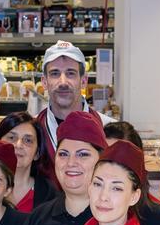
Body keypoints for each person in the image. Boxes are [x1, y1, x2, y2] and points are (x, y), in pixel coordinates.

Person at [35, 41, 113, 176]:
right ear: (44, 82)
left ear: (83, 81)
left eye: (70, 73)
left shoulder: (109, 129)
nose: (63, 82)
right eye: (54, 73)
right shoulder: (32, 130)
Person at [0, 111, 58, 213]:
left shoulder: (50, 196)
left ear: (37, 153)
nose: (18, 145)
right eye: (12, 138)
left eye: (28, 140)